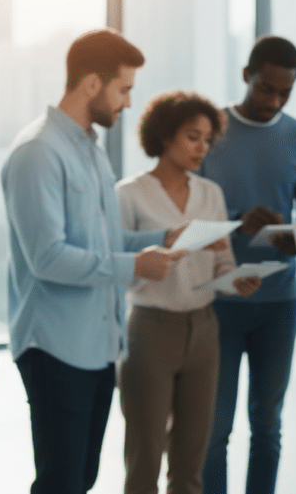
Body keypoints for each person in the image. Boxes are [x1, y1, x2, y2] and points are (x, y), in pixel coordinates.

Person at [1, 29, 188, 494]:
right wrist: (135, 267)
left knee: (81, 478)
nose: (127, 103)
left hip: (99, 344)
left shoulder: (89, 148)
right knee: (61, 482)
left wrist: (159, 238)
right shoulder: (38, 152)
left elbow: (100, 239)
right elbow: (47, 258)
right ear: (91, 84)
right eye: (123, 89)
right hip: (55, 346)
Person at [116, 91, 262, 494]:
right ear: (165, 136)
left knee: (191, 461)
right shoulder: (128, 194)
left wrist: (237, 279)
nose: (202, 147)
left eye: (207, 139)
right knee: (144, 458)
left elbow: (223, 263)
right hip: (150, 330)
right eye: (192, 137)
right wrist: (168, 250)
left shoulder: (210, 194)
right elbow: (118, 269)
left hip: (204, 330)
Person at [198, 35, 296, 494]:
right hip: (220, 299)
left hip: (279, 304)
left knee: (267, 426)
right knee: (215, 429)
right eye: (265, 88)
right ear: (246, 76)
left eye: (285, 93)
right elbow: (187, 220)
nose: (274, 101)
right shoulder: (209, 132)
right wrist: (235, 223)